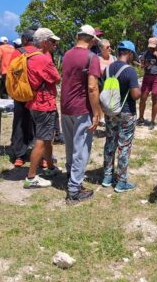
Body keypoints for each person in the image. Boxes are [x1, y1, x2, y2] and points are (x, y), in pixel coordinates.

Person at [61, 25, 101, 203]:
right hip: (81, 108)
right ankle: (74, 189)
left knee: (70, 145)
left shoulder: (66, 55)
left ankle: (70, 176)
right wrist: (96, 113)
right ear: (92, 40)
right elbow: (92, 87)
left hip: (65, 107)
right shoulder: (92, 57)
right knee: (82, 149)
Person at [23, 28, 62, 188]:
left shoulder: (29, 56)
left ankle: (50, 167)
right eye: (52, 41)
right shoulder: (44, 60)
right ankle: (31, 177)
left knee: (47, 138)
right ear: (44, 42)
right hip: (44, 103)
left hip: (34, 102)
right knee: (41, 140)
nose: (54, 44)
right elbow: (57, 78)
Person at [101, 40, 141, 193]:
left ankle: (107, 177)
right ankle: (121, 181)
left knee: (110, 142)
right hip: (126, 112)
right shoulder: (130, 71)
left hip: (110, 112)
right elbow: (135, 94)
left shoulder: (108, 69)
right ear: (129, 54)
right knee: (124, 146)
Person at [8, 28, 37, 167]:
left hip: (20, 94)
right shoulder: (41, 52)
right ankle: (41, 156)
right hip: (37, 94)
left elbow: (11, 73)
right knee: (39, 125)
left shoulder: (16, 53)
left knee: (19, 123)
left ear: (24, 40)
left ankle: (19, 155)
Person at [138, 37, 157, 130]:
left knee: (155, 98)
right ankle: (141, 118)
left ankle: (152, 121)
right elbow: (141, 66)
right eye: (150, 47)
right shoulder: (145, 53)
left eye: (153, 47)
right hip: (147, 76)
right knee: (143, 98)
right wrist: (144, 65)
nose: (151, 49)